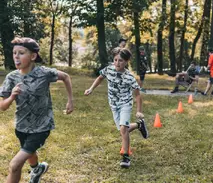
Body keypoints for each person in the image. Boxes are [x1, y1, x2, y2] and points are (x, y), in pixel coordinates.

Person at [0, 37, 74, 183]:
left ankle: (35, 169)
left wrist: (70, 100)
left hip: (41, 126)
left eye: (21, 53)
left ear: (33, 56)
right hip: (21, 126)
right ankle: (37, 169)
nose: (16, 56)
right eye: (14, 53)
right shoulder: (11, 77)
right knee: (30, 152)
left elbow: (65, 76)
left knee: (15, 165)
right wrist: (12, 96)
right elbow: (2, 107)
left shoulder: (44, 73)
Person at [84, 48, 148, 168]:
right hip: (113, 104)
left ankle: (126, 156)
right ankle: (139, 125)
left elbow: (138, 95)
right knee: (123, 130)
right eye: (115, 60)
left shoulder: (129, 77)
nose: (117, 63)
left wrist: (139, 111)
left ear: (127, 62)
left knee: (123, 129)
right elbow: (100, 78)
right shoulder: (109, 69)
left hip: (125, 104)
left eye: (121, 61)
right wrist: (91, 88)